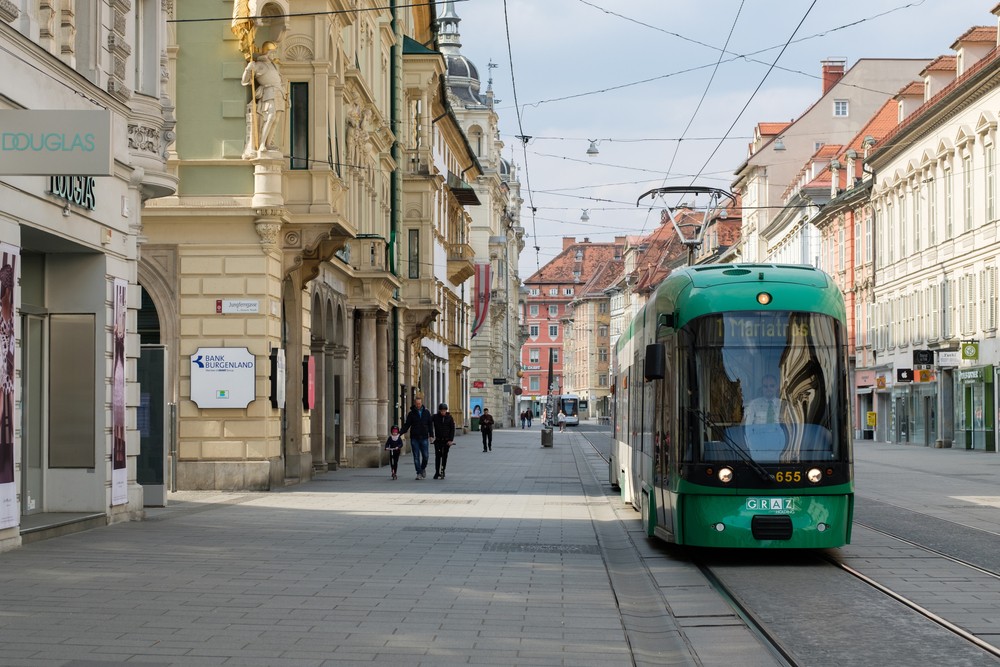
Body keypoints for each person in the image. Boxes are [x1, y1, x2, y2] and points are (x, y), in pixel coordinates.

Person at [241, 41, 286, 158]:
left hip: (279, 93)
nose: (274, 54)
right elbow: (245, 81)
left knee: (275, 119)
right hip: (269, 92)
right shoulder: (259, 64)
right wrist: (248, 69)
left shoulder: (273, 65)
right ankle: (261, 144)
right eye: (272, 52)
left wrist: (286, 95)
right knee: (269, 117)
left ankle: (268, 143)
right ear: (267, 52)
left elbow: (280, 82)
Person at [400, 394, 433, 479]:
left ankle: (422, 468)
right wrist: (400, 433)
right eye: (417, 404)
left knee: (426, 456)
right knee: (416, 456)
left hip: (424, 437)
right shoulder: (411, 414)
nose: (418, 405)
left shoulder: (426, 412)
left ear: (421, 403)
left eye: (419, 404)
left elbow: (430, 424)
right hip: (415, 438)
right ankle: (418, 473)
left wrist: (431, 435)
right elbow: (407, 425)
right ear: (415, 404)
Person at [431, 403, 456, 479]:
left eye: (444, 410)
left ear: (446, 410)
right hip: (438, 440)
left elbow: (452, 429)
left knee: (444, 456)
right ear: (439, 410)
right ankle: (436, 472)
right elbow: (429, 423)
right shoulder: (435, 417)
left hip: (446, 441)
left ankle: (443, 471)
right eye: (441, 411)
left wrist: (450, 440)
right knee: (438, 456)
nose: (443, 412)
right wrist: (431, 435)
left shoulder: (450, 418)